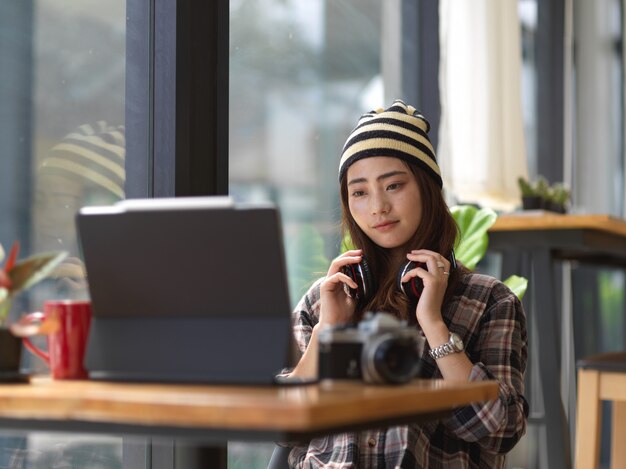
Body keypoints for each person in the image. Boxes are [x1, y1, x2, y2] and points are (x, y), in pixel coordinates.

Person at [284, 100, 528, 468]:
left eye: (393, 185)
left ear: (427, 188)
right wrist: (328, 331)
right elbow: (283, 423)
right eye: (359, 192)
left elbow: (501, 428)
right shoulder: (325, 298)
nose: (377, 206)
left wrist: (434, 325)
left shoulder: (490, 300)